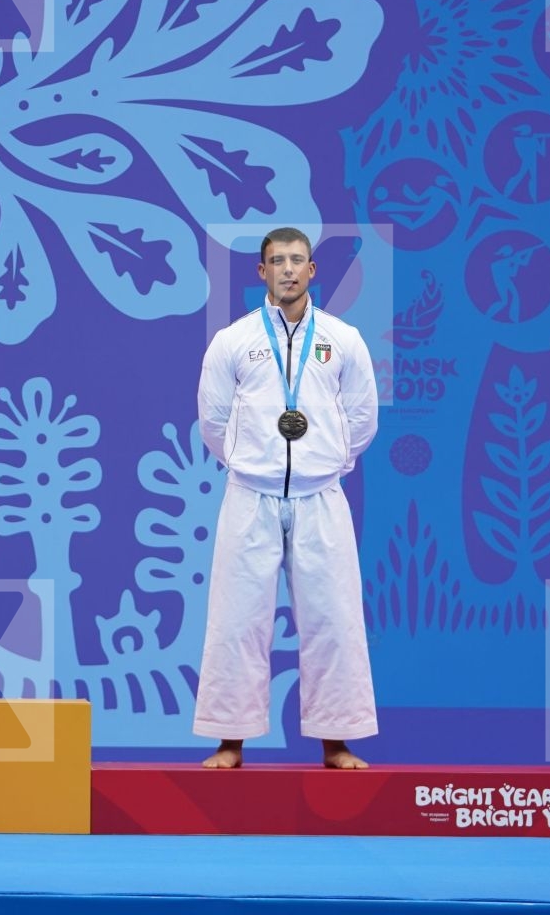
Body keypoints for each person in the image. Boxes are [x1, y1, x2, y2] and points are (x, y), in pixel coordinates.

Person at [194, 228, 379, 768]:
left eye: (298, 260)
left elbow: (363, 415)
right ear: (262, 272)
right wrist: (246, 461)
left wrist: (330, 462)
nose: (289, 269)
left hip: (320, 493)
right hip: (250, 493)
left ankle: (336, 742)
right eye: (278, 261)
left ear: (313, 270)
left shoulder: (343, 339)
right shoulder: (233, 340)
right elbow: (213, 418)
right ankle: (230, 743)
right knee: (236, 619)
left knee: (334, 618)